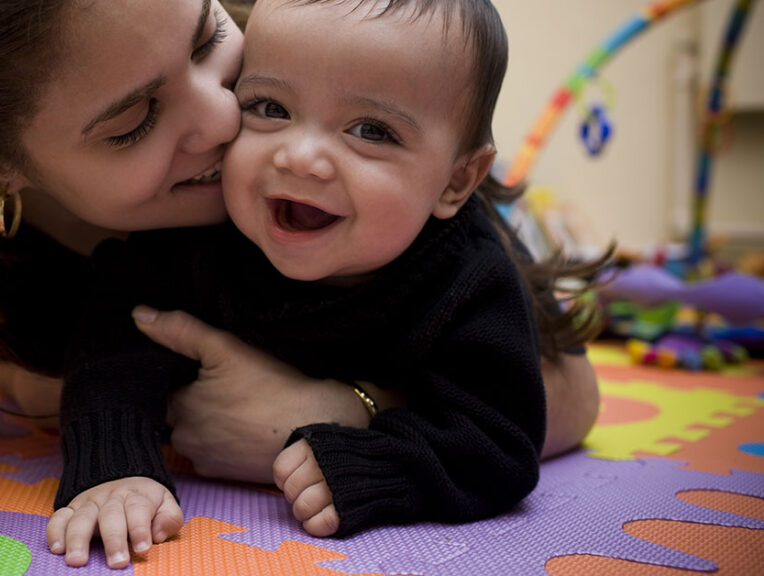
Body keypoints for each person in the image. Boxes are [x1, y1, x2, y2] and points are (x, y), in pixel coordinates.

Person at [0, 0, 603, 570]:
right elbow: (58, 364)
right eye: (131, 123)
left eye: (207, 44)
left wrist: (340, 414)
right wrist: (105, 441)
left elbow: (552, 393)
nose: (228, 120)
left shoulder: (414, 210)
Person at [46, 0, 611, 567]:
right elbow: (114, 340)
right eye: (269, 107)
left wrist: (370, 457)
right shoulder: (200, 233)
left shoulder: (468, 282)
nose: (300, 157)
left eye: (371, 131)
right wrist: (115, 469)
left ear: (457, 179)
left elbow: (499, 441)